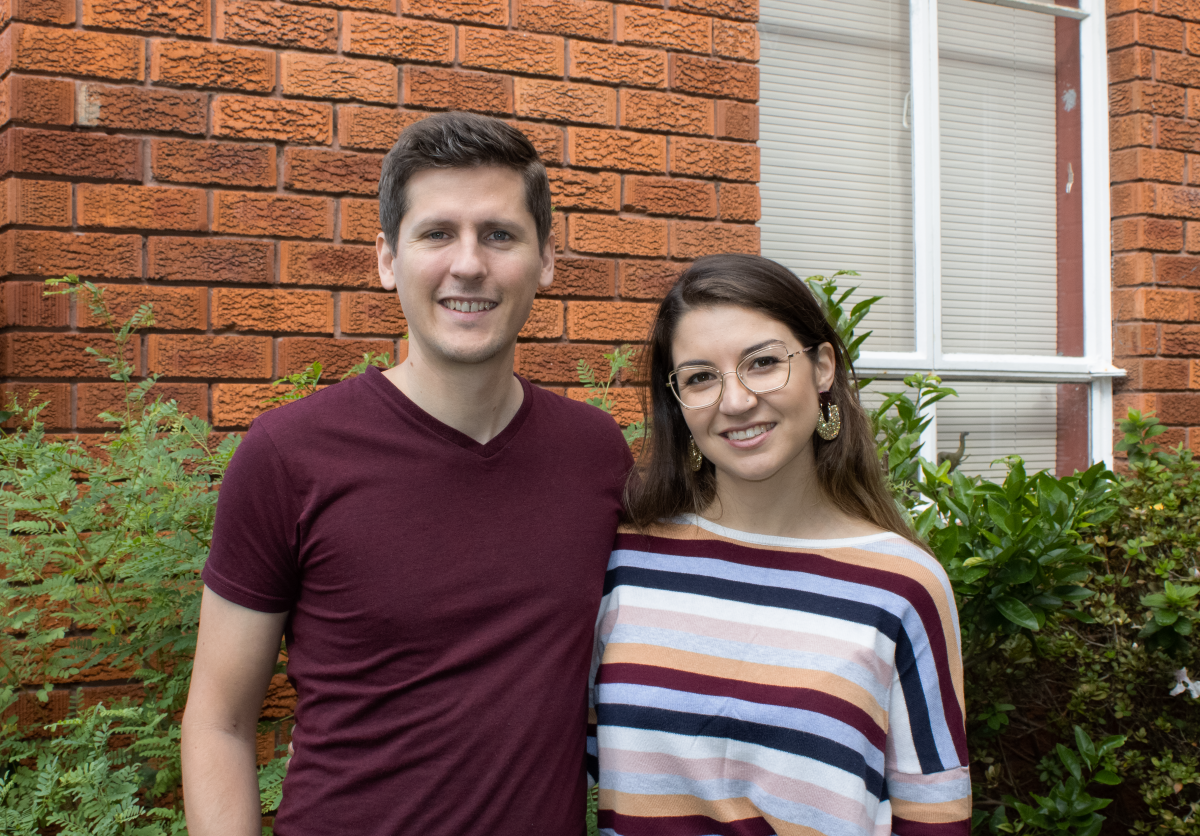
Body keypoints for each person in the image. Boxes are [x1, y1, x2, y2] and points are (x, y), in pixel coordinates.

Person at [181, 112, 632, 836]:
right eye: (436, 234)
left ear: (546, 259)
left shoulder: (595, 455)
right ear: (388, 259)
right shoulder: (288, 455)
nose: (468, 264)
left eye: (499, 234)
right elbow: (219, 722)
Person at [588, 254, 969, 836]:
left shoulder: (903, 585)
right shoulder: (628, 561)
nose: (735, 401)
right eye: (700, 377)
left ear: (822, 367)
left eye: (763, 363)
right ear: (678, 403)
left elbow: (934, 819)